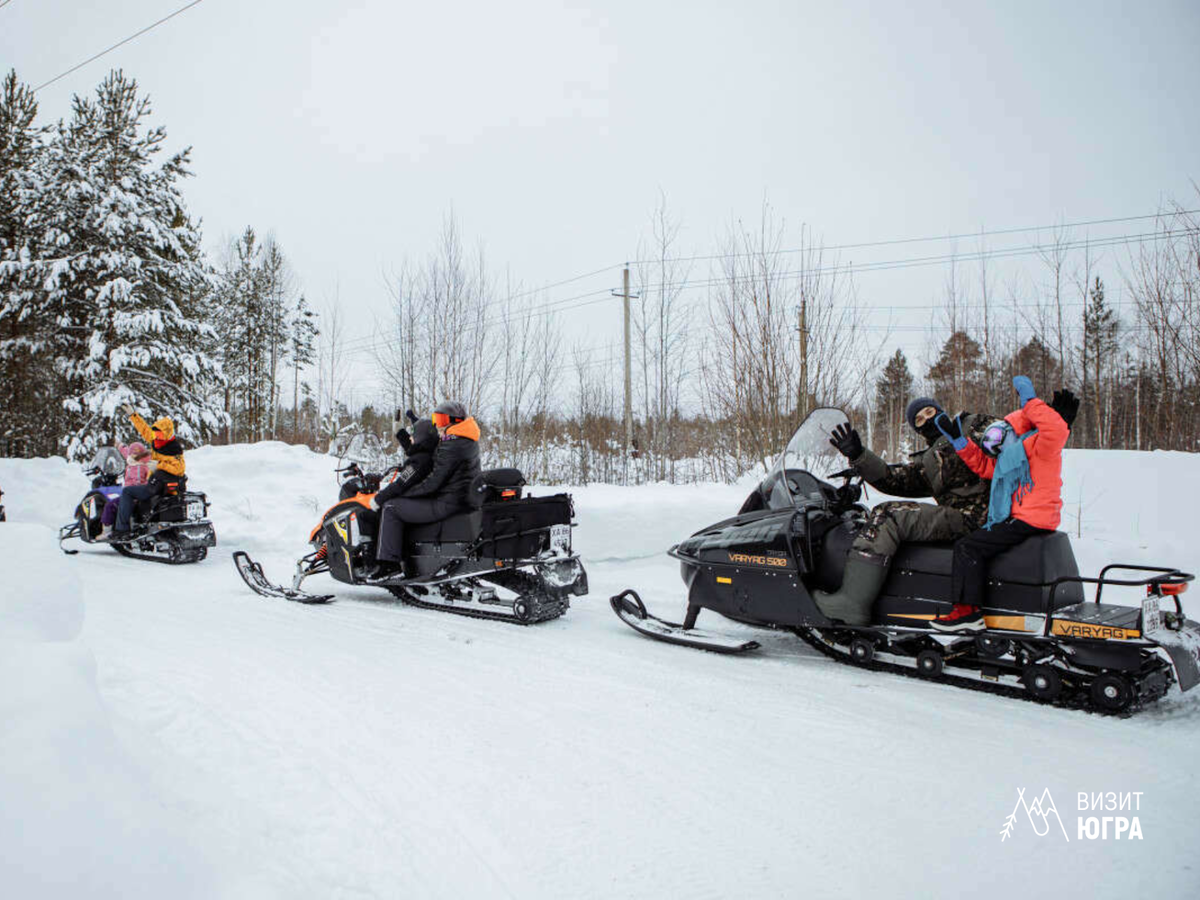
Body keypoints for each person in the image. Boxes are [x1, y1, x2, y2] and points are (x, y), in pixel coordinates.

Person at [814, 397, 999, 625]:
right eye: (919, 420)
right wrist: (859, 455)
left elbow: (1012, 434)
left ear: (940, 409)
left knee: (888, 515)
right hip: (961, 516)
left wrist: (1050, 417)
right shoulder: (929, 461)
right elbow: (894, 480)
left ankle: (851, 603)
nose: (927, 420)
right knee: (887, 513)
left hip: (983, 514)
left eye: (929, 412)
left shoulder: (970, 425)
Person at [928, 378, 1078, 632]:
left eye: (996, 436)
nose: (993, 447)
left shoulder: (1040, 446)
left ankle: (967, 612)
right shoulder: (1011, 458)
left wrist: (1031, 403)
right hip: (1023, 519)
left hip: (1031, 519)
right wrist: (959, 442)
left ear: (1014, 430)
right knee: (974, 543)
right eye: (989, 444)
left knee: (968, 548)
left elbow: (1055, 430)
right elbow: (984, 467)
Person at [371, 400, 481, 576]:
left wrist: (407, 494)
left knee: (392, 507)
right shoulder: (463, 438)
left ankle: (389, 564)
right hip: (458, 498)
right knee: (400, 505)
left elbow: (433, 482)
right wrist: (402, 433)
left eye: (442, 420)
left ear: (456, 421)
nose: (438, 425)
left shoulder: (453, 444)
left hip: (447, 502)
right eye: (436, 419)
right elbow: (425, 447)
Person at [112, 404, 187, 539]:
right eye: (156, 432)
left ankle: (121, 530)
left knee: (127, 491)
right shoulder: (158, 441)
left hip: (159, 485)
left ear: (166, 433)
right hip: (158, 482)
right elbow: (145, 430)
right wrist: (132, 415)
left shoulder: (174, 449)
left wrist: (159, 465)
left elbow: (179, 469)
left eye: (159, 433)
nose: (155, 436)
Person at [370, 410, 440, 508]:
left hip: (418, 503)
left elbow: (401, 484)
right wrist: (400, 432)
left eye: (413, 435)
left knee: (389, 509)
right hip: (422, 500)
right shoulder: (427, 452)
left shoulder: (420, 461)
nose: (410, 437)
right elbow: (415, 447)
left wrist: (378, 499)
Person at [98, 441, 154, 539]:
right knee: (110, 505)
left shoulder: (145, 465)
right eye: (132, 453)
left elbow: (149, 479)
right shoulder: (130, 460)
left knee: (111, 506)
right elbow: (125, 451)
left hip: (136, 495)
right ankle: (107, 530)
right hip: (128, 494)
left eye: (137, 454)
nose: (134, 456)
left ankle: (111, 531)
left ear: (142, 454)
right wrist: (119, 445)